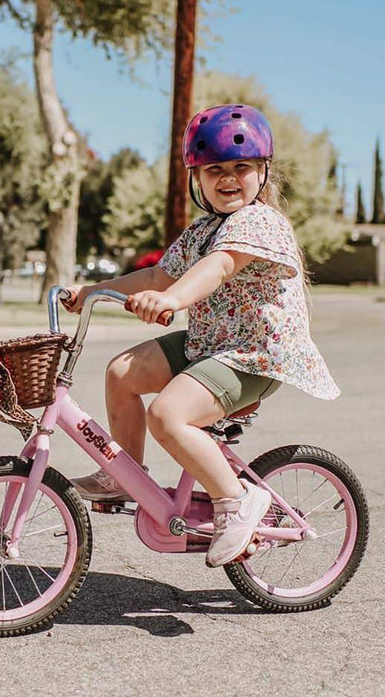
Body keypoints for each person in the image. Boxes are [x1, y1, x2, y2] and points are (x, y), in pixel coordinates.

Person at [64, 104, 340, 568]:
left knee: (168, 416)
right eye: (214, 169)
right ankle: (125, 474)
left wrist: (174, 301)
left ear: (262, 171)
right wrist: (93, 290)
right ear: (198, 177)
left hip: (255, 355)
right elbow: (156, 278)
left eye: (241, 167)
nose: (228, 178)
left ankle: (236, 501)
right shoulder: (201, 230)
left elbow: (219, 267)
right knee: (122, 372)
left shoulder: (259, 221)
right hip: (211, 343)